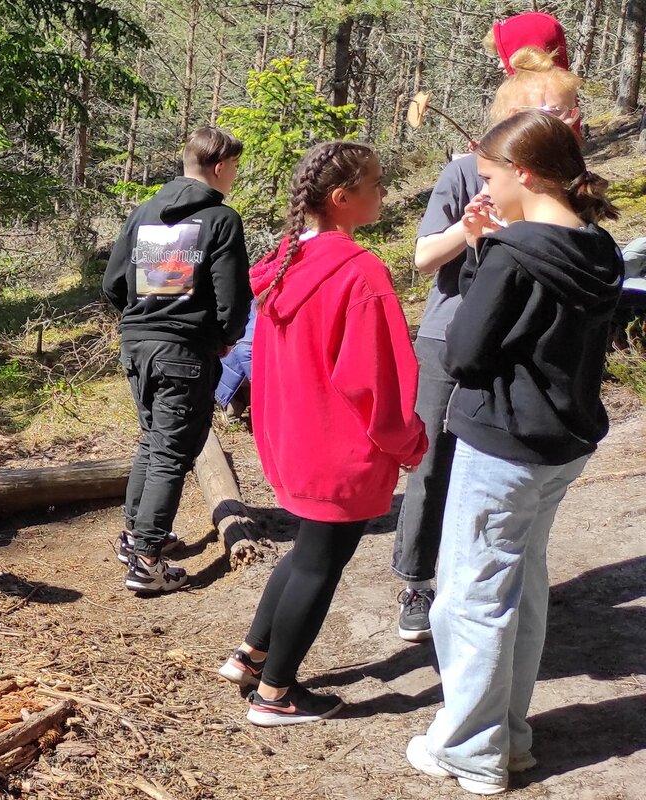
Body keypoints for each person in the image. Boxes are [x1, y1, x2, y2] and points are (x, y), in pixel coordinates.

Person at [407, 112, 622, 796]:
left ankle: (472, 750)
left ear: (523, 174)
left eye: (492, 176)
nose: (487, 189)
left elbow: (466, 353)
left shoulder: (512, 253)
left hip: (501, 445)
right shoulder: (598, 246)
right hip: (561, 446)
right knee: (521, 589)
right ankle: (511, 735)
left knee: (469, 598)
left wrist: (479, 255)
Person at [216, 141, 427, 726]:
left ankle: (253, 655)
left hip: (295, 442)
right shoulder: (359, 274)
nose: (384, 192)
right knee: (319, 565)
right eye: (377, 184)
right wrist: (409, 441)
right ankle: (276, 695)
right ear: (342, 199)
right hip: (341, 449)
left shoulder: (287, 261)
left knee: (309, 552)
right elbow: (376, 381)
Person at [393, 45, 582, 643]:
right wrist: (468, 230)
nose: (580, 123)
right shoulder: (464, 172)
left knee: (495, 469)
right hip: (452, 333)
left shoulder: (568, 185)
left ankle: (486, 584)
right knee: (432, 464)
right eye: (567, 113)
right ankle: (418, 581)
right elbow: (423, 259)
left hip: (518, 341)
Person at [101, 126, 253, 594]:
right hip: (184, 349)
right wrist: (224, 339)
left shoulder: (144, 214)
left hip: (138, 344)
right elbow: (233, 298)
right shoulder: (221, 220)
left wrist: (142, 320)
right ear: (221, 167)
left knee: (153, 440)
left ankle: (136, 535)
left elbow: (113, 284)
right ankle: (147, 560)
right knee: (171, 450)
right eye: (235, 168)